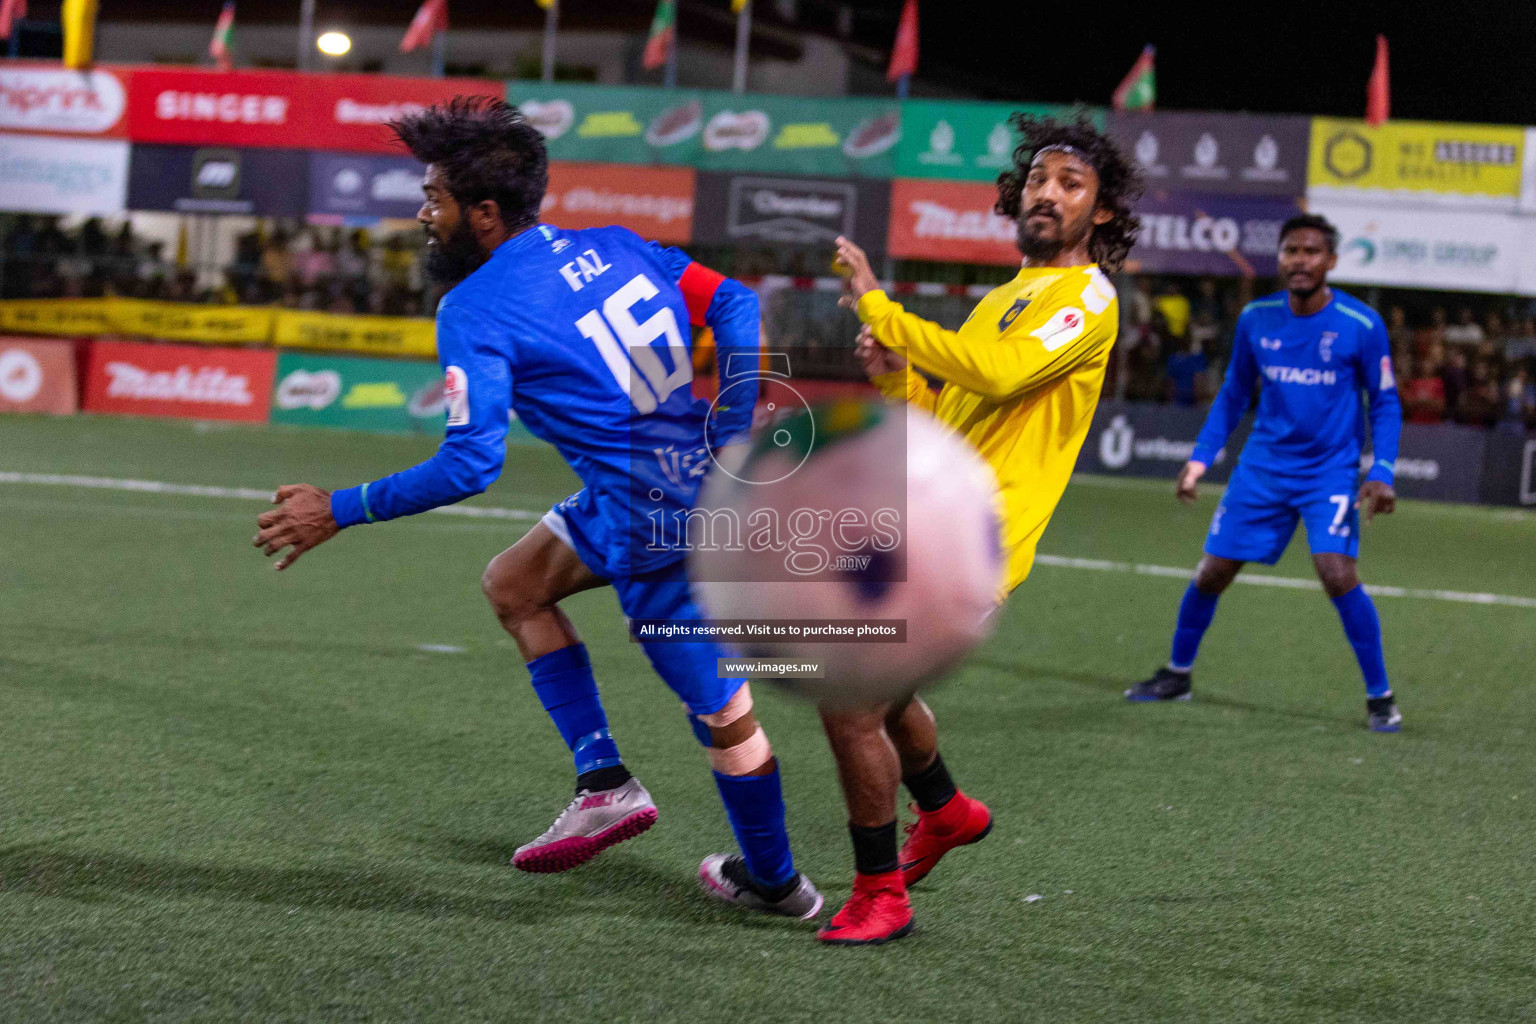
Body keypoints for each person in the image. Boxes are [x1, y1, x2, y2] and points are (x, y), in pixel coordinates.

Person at [252, 97, 821, 922]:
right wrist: (732, 426)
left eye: (436, 198)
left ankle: (777, 884)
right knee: (514, 584)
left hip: (660, 527)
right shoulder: (617, 247)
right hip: (659, 486)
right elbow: (733, 302)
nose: (423, 212)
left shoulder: (474, 309)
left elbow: (471, 464)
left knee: (727, 719)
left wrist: (340, 508)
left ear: (483, 214)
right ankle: (604, 783)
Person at [819, 113, 1140, 945]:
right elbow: (951, 423)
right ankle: (948, 811)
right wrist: (899, 382)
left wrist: (882, 309)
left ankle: (881, 894)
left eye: (1071, 184)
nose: (1047, 193)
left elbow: (997, 377)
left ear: (1101, 212)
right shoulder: (1005, 297)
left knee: (851, 704)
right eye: (1038, 179)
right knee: (880, 702)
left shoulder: (1088, 299)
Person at [1126, 214, 1405, 733]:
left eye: (1311, 251)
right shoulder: (1256, 317)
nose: (1300, 260)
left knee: (1336, 572)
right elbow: (1233, 395)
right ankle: (1177, 674)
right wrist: (1199, 459)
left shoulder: (1362, 325)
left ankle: (1380, 696)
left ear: (1331, 261)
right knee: (1212, 572)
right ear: (1279, 258)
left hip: (1329, 472)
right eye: (1291, 251)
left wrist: (1382, 469)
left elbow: (1385, 403)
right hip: (1263, 468)